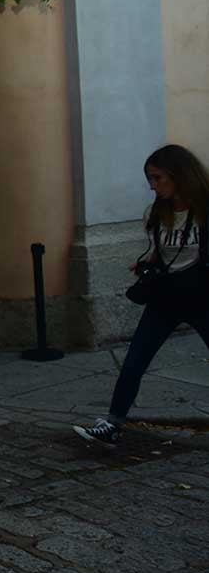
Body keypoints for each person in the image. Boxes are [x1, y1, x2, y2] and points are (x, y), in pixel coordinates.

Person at [74, 144, 209, 447]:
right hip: (167, 297)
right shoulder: (158, 212)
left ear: (179, 174)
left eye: (158, 178)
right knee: (135, 360)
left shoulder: (204, 209)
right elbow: (164, 252)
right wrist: (148, 263)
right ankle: (113, 424)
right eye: (150, 178)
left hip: (201, 297)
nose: (152, 185)